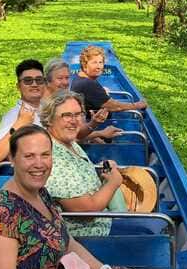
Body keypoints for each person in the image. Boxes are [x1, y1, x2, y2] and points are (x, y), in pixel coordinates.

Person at [0, 125, 150, 269]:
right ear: (12, 159)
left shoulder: (40, 194)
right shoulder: (2, 214)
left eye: (45, 155)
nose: (39, 163)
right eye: (29, 156)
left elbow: (67, 242)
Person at [41, 90, 127, 237]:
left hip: (104, 219)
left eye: (78, 114)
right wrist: (113, 182)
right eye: (67, 115)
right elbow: (87, 212)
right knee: (158, 227)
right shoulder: (53, 158)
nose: (74, 121)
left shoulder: (67, 142)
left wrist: (102, 173)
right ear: (49, 119)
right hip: (91, 236)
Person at [44, 58, 118, 143]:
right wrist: (100, 133)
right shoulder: (44, 106)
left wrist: (95, 126)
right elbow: (72, 138)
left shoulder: (66, 97)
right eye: (60, 78)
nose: (65, 82)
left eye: (67, 78)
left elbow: (79, 131)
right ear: (48, 81)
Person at [0, 59, 45, 163]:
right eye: (28, 81)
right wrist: (21, 123)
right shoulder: (14, 115)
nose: (34, 84)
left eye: (39, 80)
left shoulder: (45, 107)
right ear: (18, 87)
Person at [70, 45, 147, 115]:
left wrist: (101, 92)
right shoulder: (88, 84)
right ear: (84, 65)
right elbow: (115, 107)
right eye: (94, 63)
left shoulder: (79, 76)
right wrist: (138, 105)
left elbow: (90, 94)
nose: (99, 66)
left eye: (100, 62)